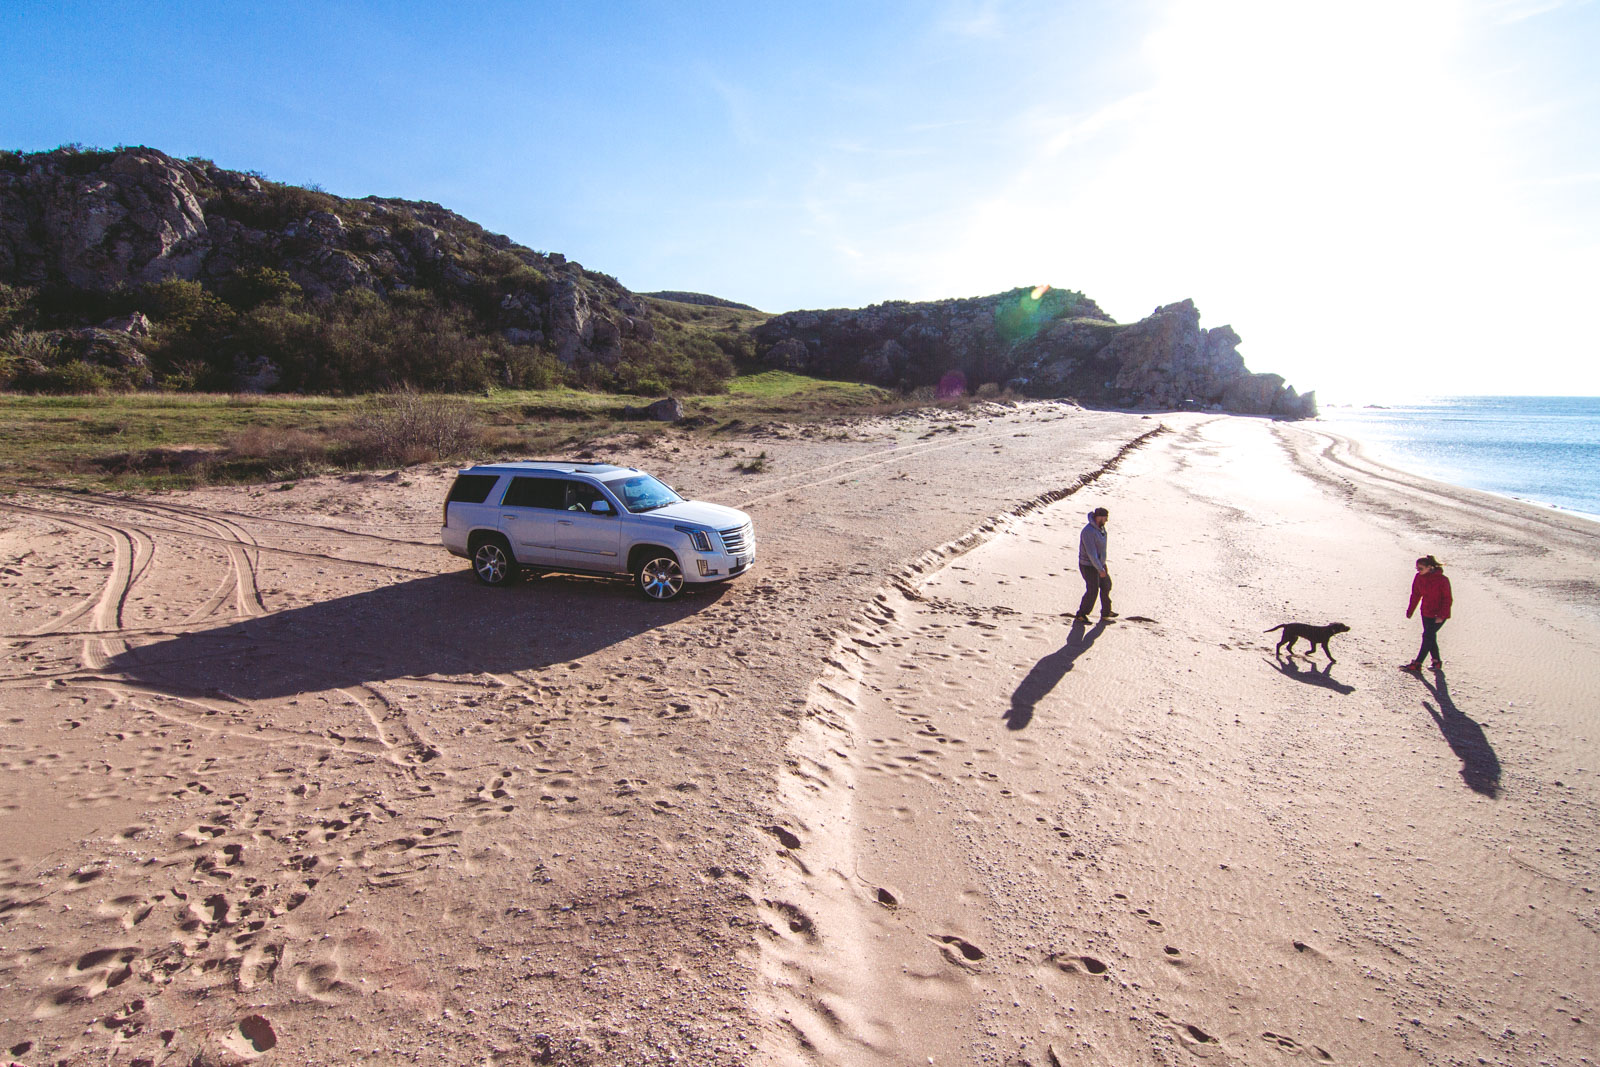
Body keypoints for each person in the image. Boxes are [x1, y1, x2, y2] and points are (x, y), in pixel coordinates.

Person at [1401, 555, 1452, 672]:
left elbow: (1447, 599)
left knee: (1427, 636)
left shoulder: (1443, 580)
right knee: (1430, 637)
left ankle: (1418, 663)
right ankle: (1436, 661)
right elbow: (1416, 595)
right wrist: (1410, 610)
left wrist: (1441, 615)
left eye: (1421, 568)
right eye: (1417, 568)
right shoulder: (1419, 577)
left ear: (1430, 567)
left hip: (1439, 614)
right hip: (1426, 612)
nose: (1418, 571)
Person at [1074, 507, 1116, 622]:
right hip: (1088, 565)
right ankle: (1081, 614)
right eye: (1105, 517)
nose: (1106, 520)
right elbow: (1091, 553)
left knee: (1106, 585)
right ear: (1099, 517)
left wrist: (1102, 565)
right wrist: (1100, 569)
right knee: (1093, 590)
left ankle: (1106, 612)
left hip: (1099, 564)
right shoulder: (1088, 531)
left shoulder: (1101, 529)